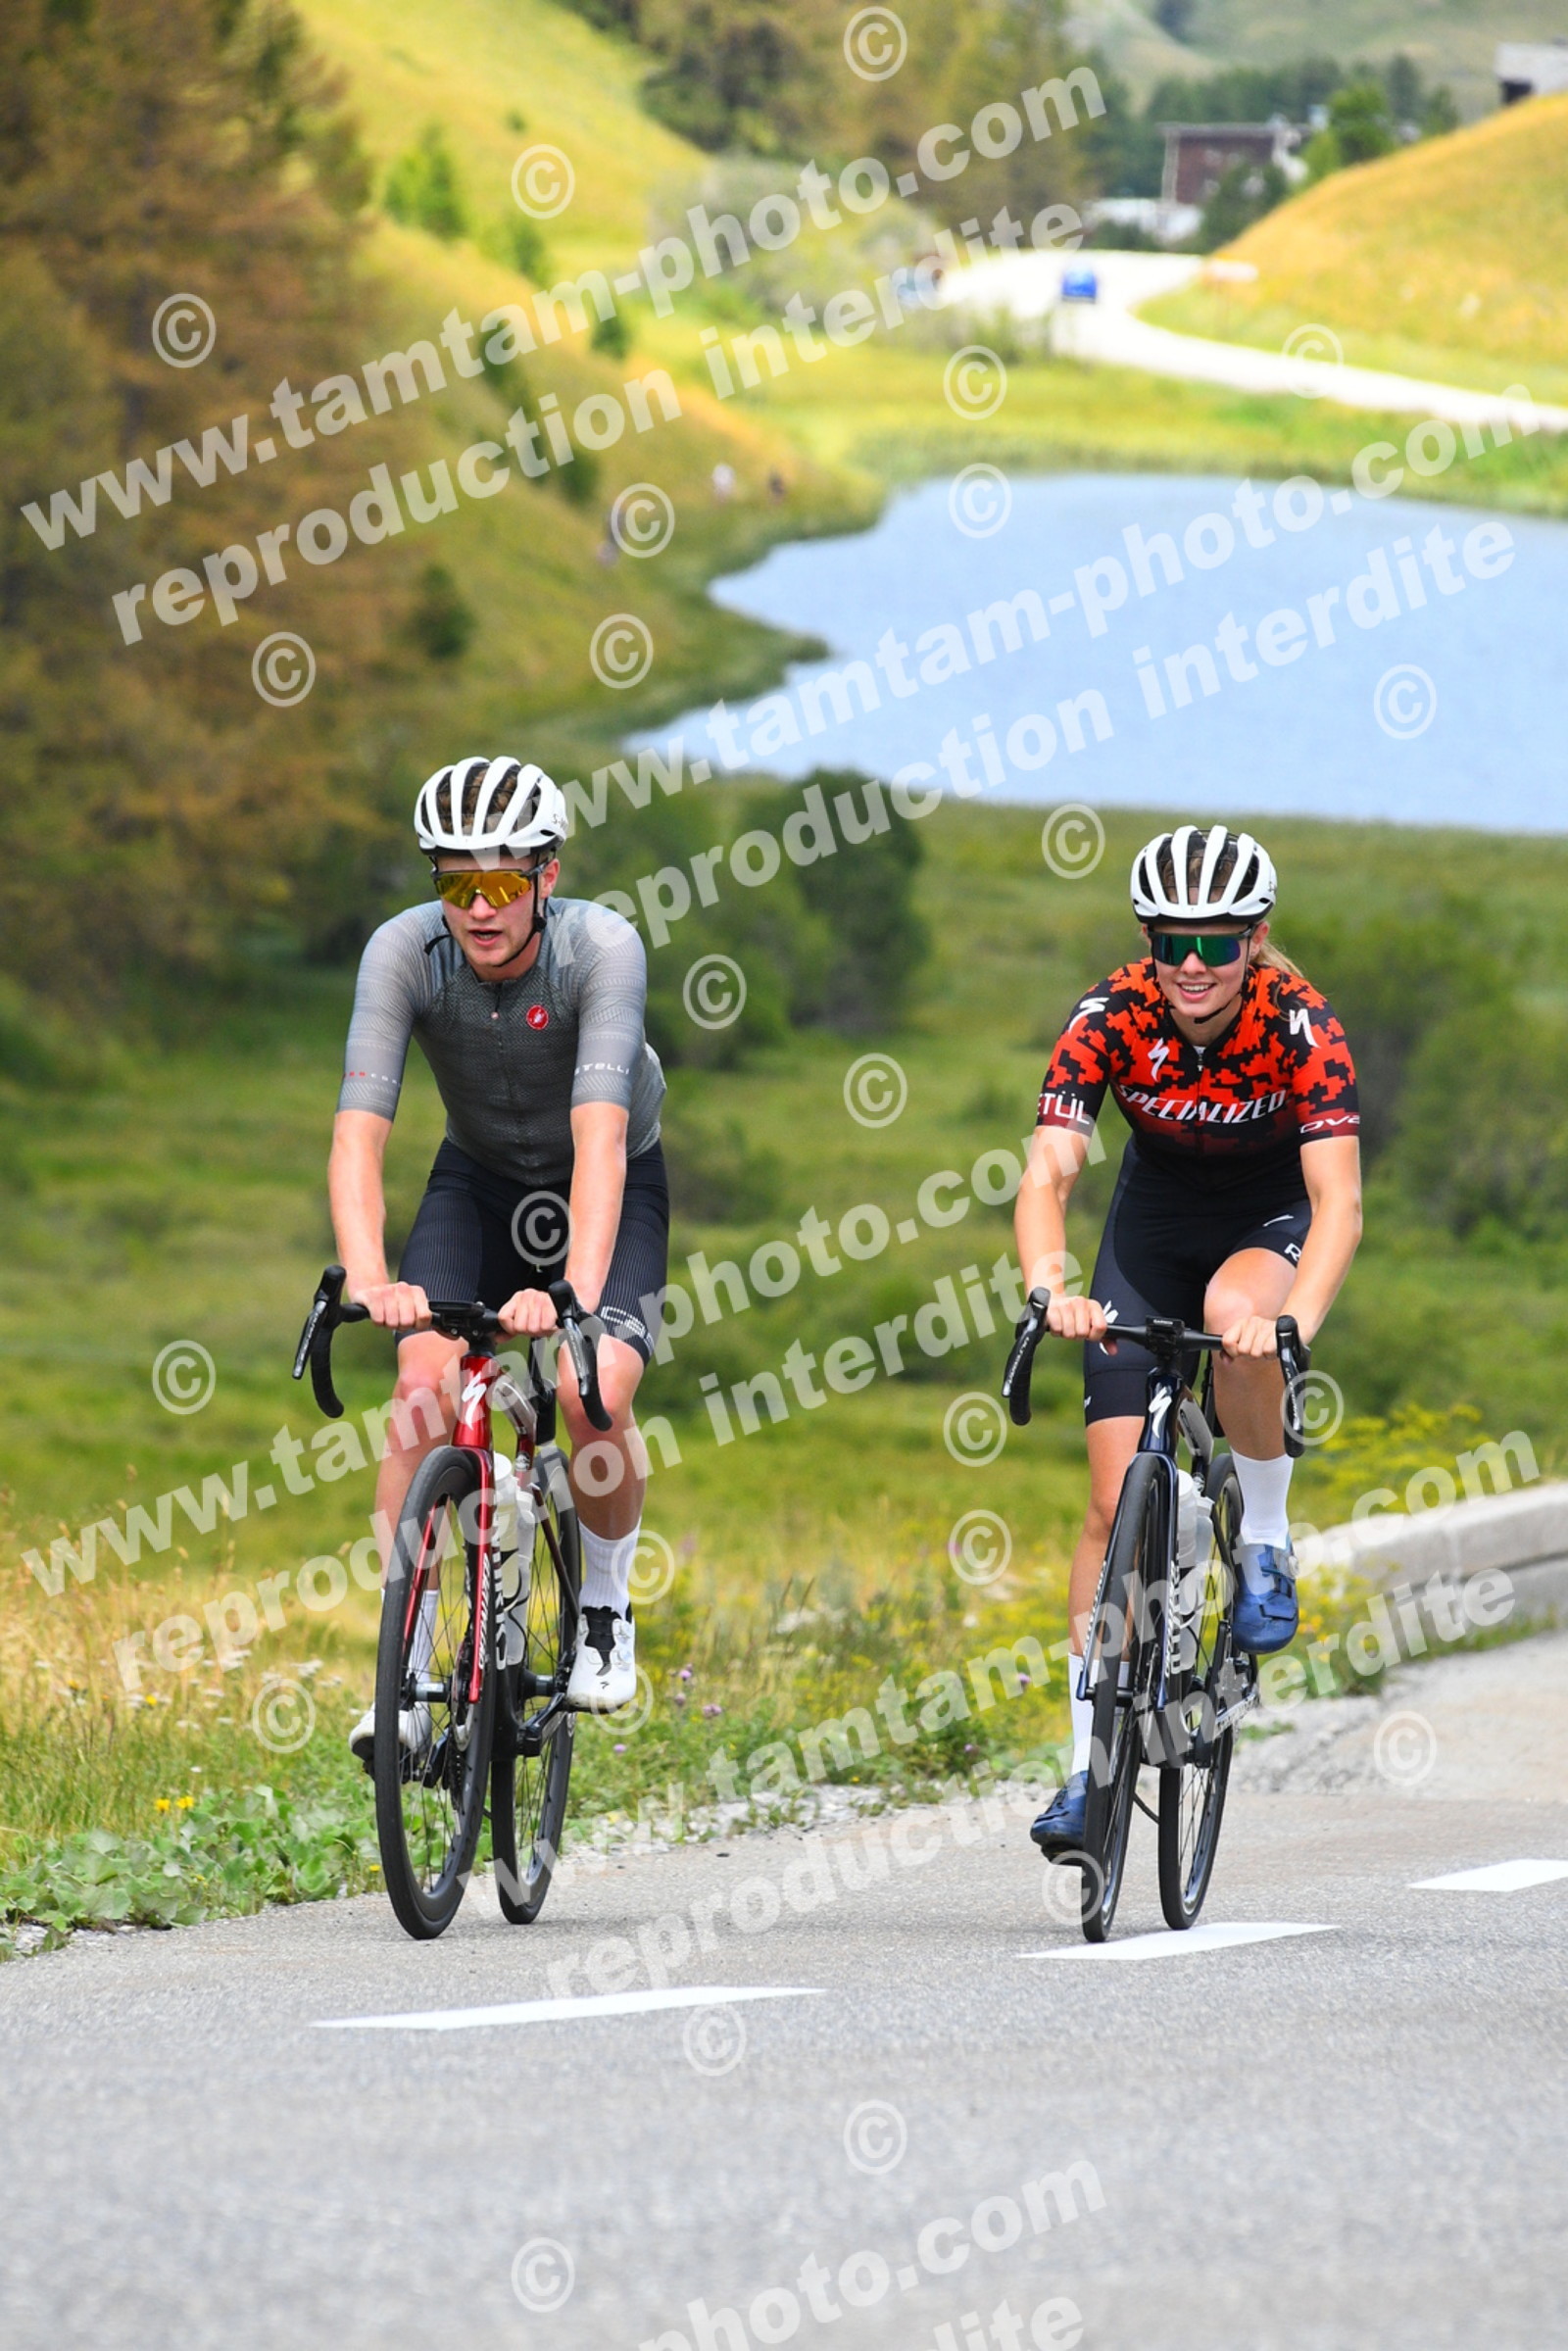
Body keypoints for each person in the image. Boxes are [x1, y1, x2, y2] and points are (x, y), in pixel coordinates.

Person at [1014, 823, 1362, 1853]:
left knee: (1232, 1319)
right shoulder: (1110, 1013)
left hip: (1266, 1216)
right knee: (1107, 1504)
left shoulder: (1302, 1024)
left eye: (1216, 941)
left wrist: (1291, 1324)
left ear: (1254, 940)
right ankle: (1087, 1768)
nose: (1194, 964)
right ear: (1148, 942)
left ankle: (1264, 1536)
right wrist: (1048, 1286)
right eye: (1174, 942)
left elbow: (1338, 1204)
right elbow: (1049, 1170)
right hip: (1154, 1221)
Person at [328, 755, 668, 1764]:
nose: (479, 906)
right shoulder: (402, 951)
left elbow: (602, 1139)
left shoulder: (600, 948)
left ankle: (603, 1604)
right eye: (456, 881)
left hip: (605, 1179)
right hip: (475, 1178)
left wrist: (572, 1296)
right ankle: (399, 1669)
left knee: (592, 1391)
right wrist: (366, 1277)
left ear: (546, 876)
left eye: (503, 881)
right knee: (419, 1390)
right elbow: (358, 1137)